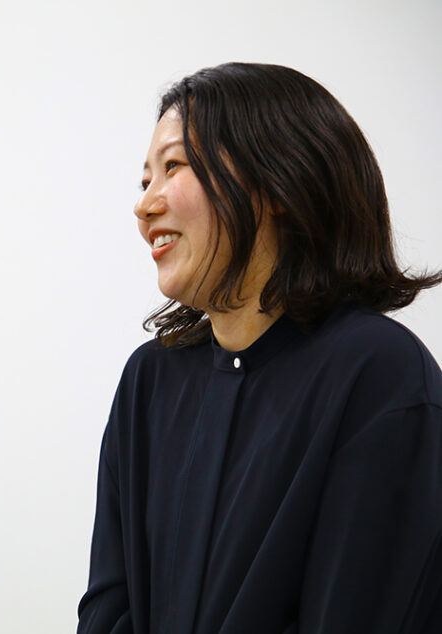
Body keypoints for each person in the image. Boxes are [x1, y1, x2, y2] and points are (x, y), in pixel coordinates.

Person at [78, 62, 442, 633]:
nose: (145, 205)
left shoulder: (378, 373)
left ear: (276, 182)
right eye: (145, 181)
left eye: (173, 167)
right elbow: (108, 609)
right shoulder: (150, 380)